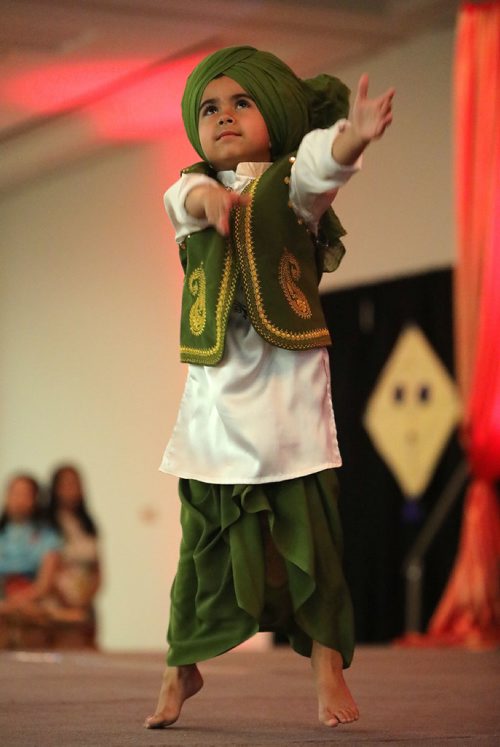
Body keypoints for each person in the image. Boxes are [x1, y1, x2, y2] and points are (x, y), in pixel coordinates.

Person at [145, 46, 394, 730]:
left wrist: (353, 137)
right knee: (202, 540)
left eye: (240, 103)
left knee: (308, 535)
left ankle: (326, 666)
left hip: (286, 402)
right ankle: (181, 664)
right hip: (215, 406)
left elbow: (322, 165)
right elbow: (186, 198)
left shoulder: (292, 190)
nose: (223, 115)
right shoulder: (186, 190)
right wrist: (211, 197)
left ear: (273, 116)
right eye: (209, 107)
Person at [0, 474, 61, 645]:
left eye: (25, 494)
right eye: (15, 493)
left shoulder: (47, 537)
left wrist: (14, 603)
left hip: (32, 607)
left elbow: (44, 584)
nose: (19, 500)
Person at [45, 465, 100, 642]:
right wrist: (64, 599)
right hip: (57, 603)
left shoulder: (87, 524)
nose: (71, 489)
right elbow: (47, 567)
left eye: (75, 484)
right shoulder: (47, 524)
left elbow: (98, 567)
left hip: (85, 602)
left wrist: (87, 597)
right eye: (65, 484)